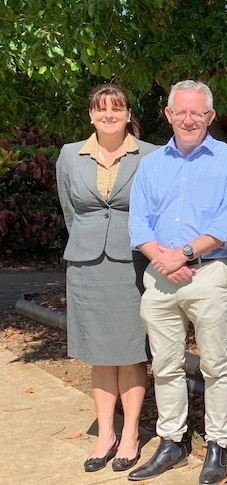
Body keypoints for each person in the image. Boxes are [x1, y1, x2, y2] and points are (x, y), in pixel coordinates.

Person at [127, 80, 227, 484]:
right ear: (169, 115)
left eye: (198, 112)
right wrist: (163, 259)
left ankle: (216, 445)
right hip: (159, 278)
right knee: (164, 366)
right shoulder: (152, 164)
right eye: (182, 112)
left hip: (209, 275)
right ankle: (171, 441)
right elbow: (138, 222)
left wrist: (185, 254)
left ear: (210, 116)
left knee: (215, 364)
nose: (189, 119)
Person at [55, 84, 156, 473]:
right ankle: (105, 434)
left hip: (131, 263)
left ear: (129, 114)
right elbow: (70, 211)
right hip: (86, 265)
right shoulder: (69, 156)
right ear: (91, 115)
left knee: (131, 350)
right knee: (98, 353)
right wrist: (86, 241)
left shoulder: (149, 155)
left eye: (117, 108)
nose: (109, 115)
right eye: (101, 109)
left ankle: (130, 432)